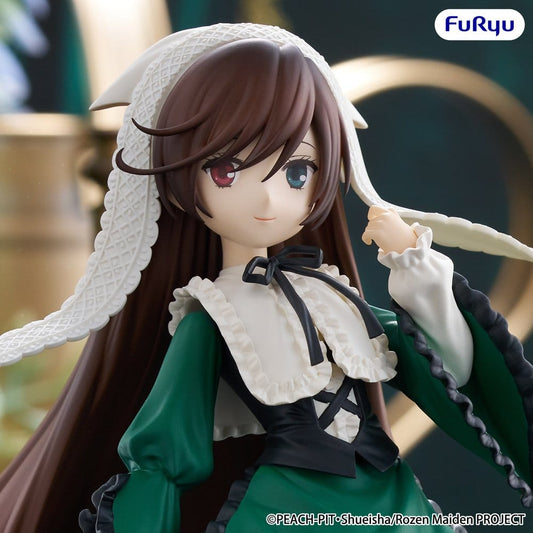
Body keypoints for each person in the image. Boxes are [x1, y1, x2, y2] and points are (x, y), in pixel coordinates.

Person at [0, 23, 531, 532]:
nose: (269, 199)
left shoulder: (335, 297)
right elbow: (165, 448)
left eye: (298, 172)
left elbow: (448, 369)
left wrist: (415, 268)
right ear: (180, 172)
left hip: (389, 503)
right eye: (226, 170)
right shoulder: (212, 314)